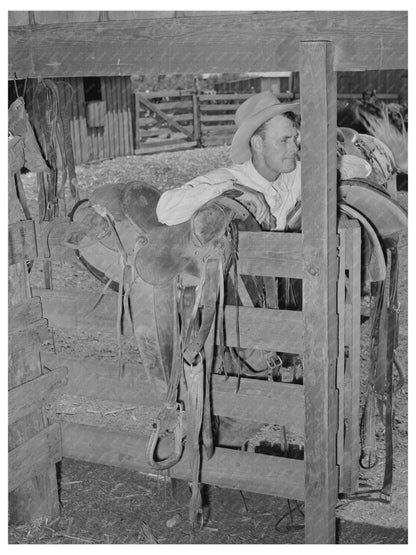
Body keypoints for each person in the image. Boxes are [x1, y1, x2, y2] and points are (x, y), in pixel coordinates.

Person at [156, 91, 372, 231]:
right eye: (284, 140)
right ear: (258, 144)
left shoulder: (298, 171)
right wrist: (233, 192)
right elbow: (165, 209)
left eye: (294, 139)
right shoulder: (229, 178)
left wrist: (323, 164)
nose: (294, 147)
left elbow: (361, 168)